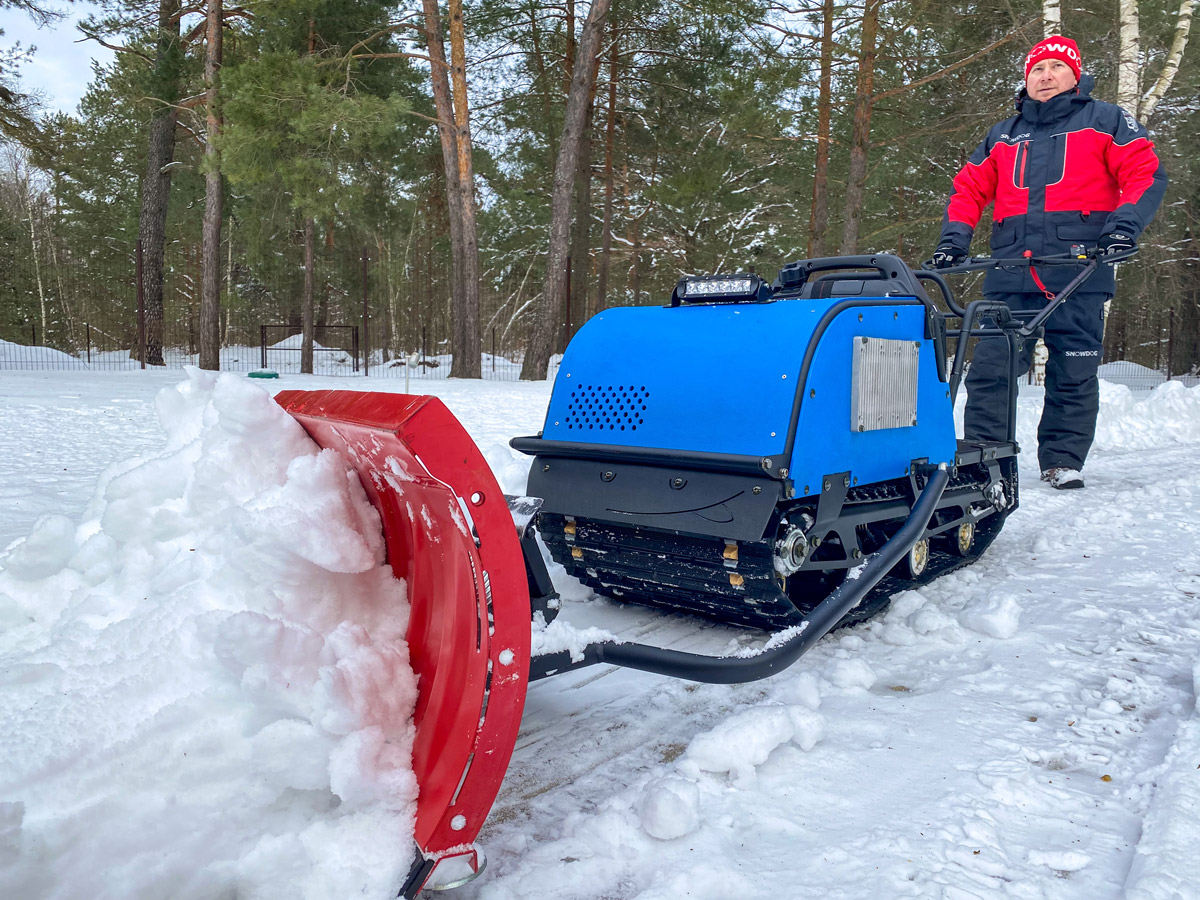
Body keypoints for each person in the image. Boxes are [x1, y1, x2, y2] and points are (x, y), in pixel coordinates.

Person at [931, 35, 1166, 490]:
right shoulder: (1003, 134)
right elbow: (968, 190)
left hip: (1079, 269)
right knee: (992, 368)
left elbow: (1145, 173)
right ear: (1027, 79)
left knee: (1073, 371)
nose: (1045, 76)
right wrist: (953, 241)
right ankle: (985, 457)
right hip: (1010, 270)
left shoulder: (1106, 120)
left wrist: (1122, 228)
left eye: (1056, 67)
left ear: (1074, 76)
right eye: (1037, 69)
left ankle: (1062, 460)